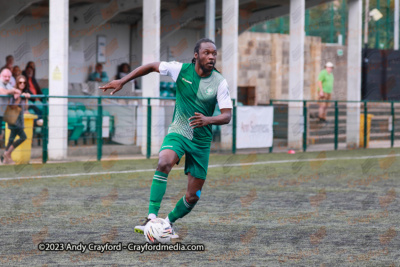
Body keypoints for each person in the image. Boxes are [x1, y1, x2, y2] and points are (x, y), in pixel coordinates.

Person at [100, 38, 233, 239]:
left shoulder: (219, 81)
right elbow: (152, 66)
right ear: (196, 55)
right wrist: (122, 81)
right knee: (164, 162)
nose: (211, 57)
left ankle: (167, 224)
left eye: (214, 53)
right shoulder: (180, 70)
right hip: (180, 130)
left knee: (193, 196)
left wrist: (208, 119)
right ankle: (151, 218)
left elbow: (227, 115)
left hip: (201, 141)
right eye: (207, 52)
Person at [1, 75, 30, 164]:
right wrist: (19, 98)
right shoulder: (14, 91)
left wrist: (26, 98)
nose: (22, 84)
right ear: (17, 83)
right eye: (20, 82)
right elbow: (12, 106)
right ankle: (7, 153)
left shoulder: (22, 92)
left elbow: (25, 107)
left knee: (11, 138)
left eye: (24, 82)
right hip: (14, 119)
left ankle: (5, 159)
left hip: (19, 119)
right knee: (23, 137)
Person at [0, 68, 21, 153]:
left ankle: (6, 155)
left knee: (1, 134)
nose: (7, 78)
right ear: (1, 76)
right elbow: (3, 92)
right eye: (5, 76)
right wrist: (13, 91)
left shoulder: (7, 84)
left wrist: (15, 91)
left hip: (3, 113)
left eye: (9, 77)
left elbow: (15, 91)